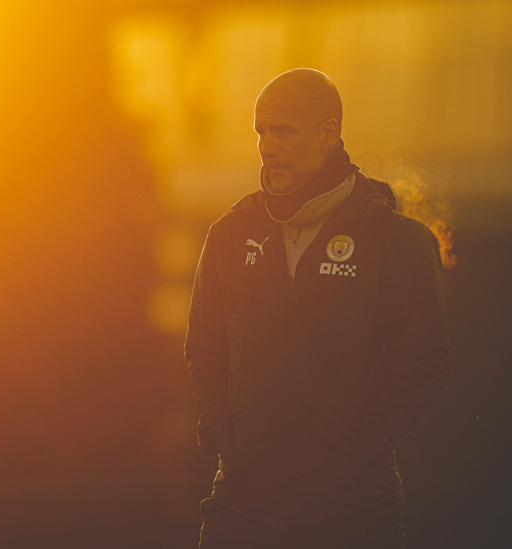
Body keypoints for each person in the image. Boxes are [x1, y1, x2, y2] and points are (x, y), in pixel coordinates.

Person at [185, 68, 451, 549]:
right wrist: (222, 436)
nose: (268, 146)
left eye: (284, 131)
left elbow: (426, 361)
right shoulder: (228, 235)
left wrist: (358, 446)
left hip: (353, 506)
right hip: (242, 502)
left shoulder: (394, 240)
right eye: (261, 132)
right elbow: (204, 348)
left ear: (329, 134)